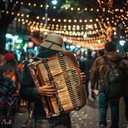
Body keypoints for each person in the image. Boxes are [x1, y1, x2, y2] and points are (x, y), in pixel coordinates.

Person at [20, 33, 86, 128]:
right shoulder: (32, 65)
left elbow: (23, 92)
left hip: (56, 116)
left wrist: (78, 80)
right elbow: (23, 92)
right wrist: (37, 91)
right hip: (48, 116)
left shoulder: (65, 63)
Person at [90, 42, 127, 128]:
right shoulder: (120, 60)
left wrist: (92, 86)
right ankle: (114, 125)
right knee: (115, 107)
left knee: (102, 107)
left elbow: (93, 73)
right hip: (116, 88)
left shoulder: (99, 60)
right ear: (114, 49)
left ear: (105, 49)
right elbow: (125, 75)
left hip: (103, 87)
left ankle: (102, 124)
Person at [0, 52, 22, 128]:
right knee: (11, 111)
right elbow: (21, 80)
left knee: (3, 111)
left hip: (3, 94)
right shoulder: (16, 68)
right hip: (13, 94)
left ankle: (3, 121)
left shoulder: (2, 68)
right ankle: (9, 122)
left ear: (6, 59)